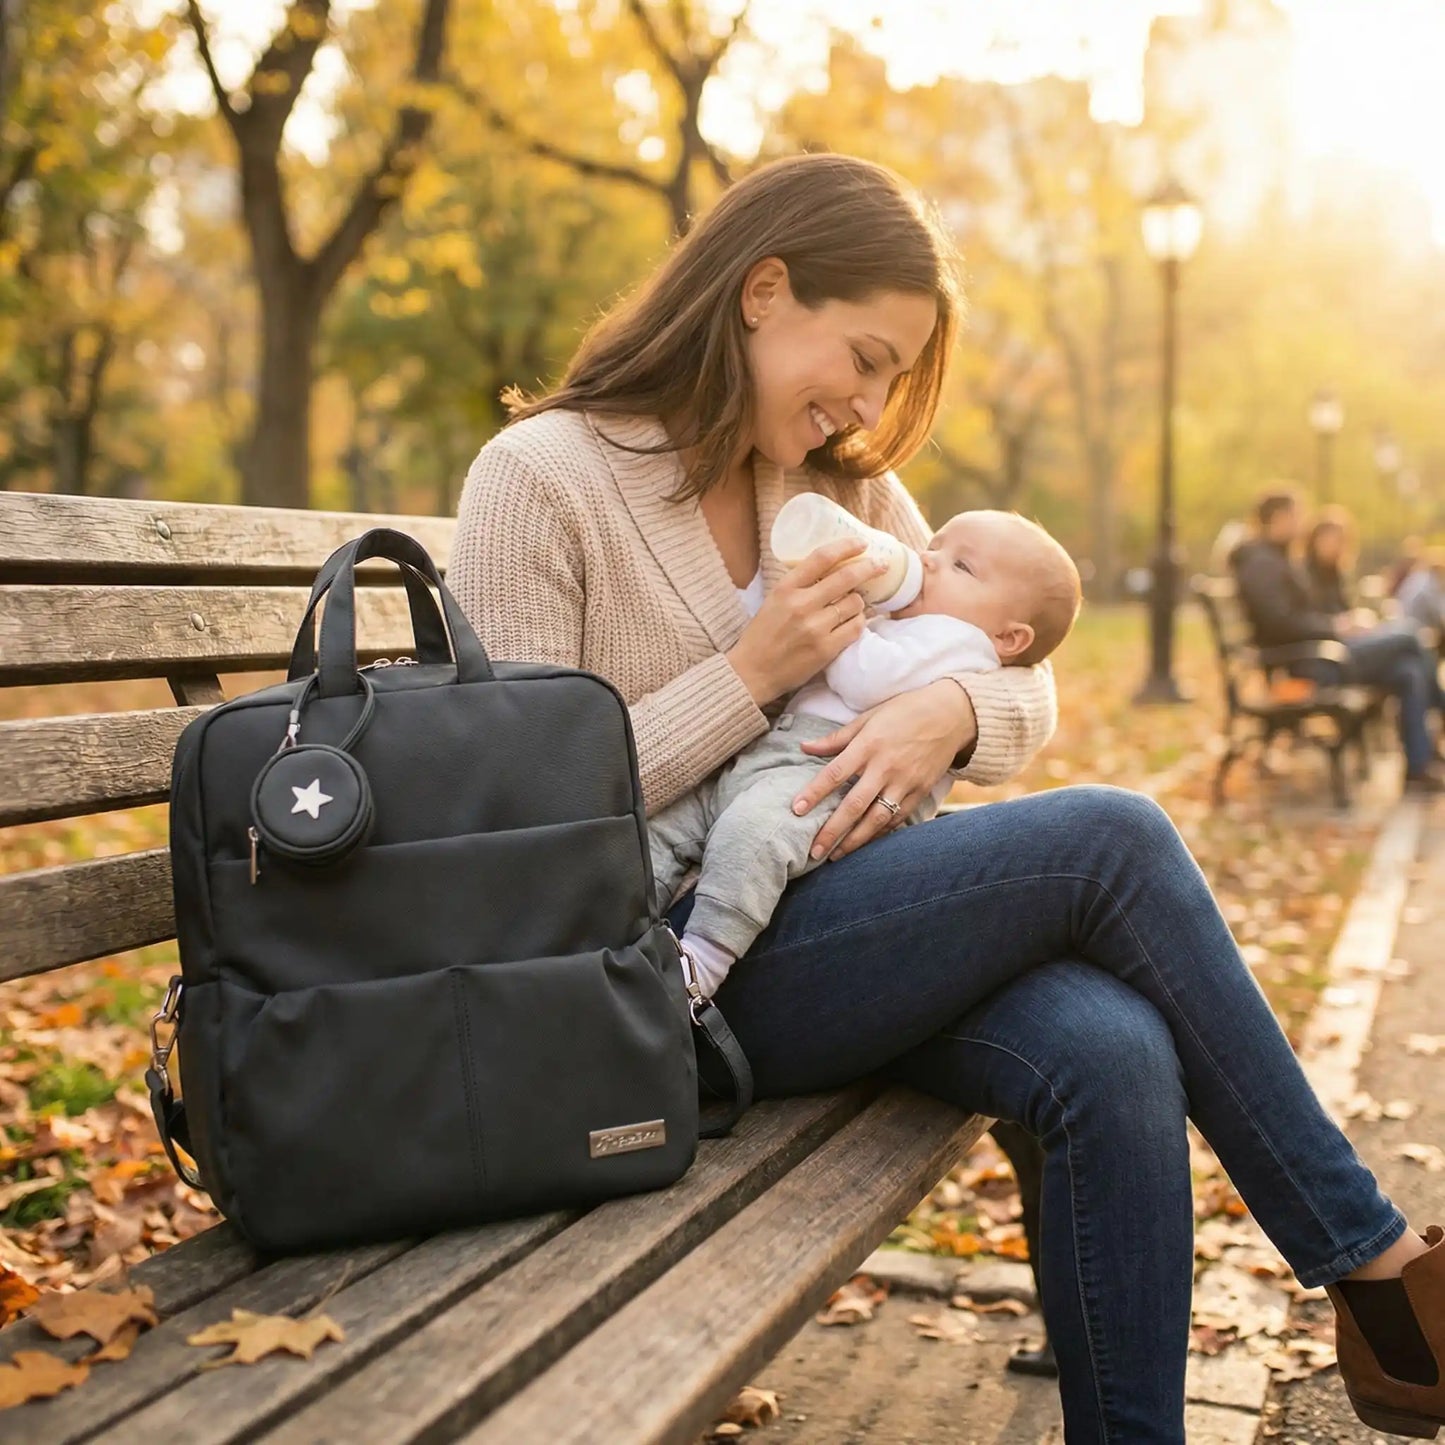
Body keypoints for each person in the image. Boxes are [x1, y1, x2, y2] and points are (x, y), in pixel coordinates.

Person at [448, 154, 1445, 1443]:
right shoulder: (543, 480)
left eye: (887, 375)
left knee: (1108, 1046)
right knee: (1113, 835)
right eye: (859, 357)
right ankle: (1377, 1275)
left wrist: (953, 711)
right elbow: (515, 813)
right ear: (761, 292)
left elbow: (1021, 674)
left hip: (837, 927)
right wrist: (749, 675)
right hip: (655, 966)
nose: (863, 402)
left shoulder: (837, 485)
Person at [649, 510, 1081, 996]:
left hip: (828, 782)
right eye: (935, 546)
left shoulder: (960, 641)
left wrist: (836, 623)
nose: (927, 560)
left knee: (754, 837)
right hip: (766, 763)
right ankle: (610, 937)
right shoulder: (923, 619)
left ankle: (703, 959)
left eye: (961, 567)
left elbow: (866, 678)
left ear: (1008, 638)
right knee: (661, 830)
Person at [1231, 489, 1444, 793]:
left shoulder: (1274, 559)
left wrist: (1343, 623)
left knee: (1408, 670)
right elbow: (1281, 624)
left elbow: (1299, 615)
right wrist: (1336, 626)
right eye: (1296, 515)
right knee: (1409, 635)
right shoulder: (1262, 563)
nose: (1301, 522)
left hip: (1322, 653)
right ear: (1277, 518)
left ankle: (1418, 767)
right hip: (1315, 663)